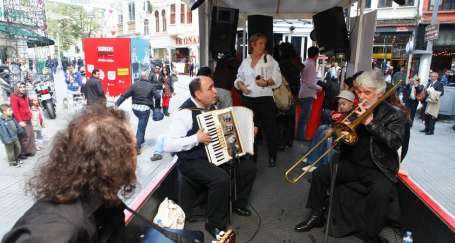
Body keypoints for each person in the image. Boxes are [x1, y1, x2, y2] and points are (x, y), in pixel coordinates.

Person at [294, 70, 405, 243]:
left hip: (378, 167)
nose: (361, 96)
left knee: (381, 193)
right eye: (359, 91)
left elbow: (395, 142)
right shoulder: (356, 109)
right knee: (320, 174)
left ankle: (371, 236)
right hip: (353, 163)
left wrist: (370, 123)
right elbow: (345, 140)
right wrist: (338, 136)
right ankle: (316, 215)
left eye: (367, 93)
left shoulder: (394, 114)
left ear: (380, 94)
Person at [2, 106, 137, 243]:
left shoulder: (101, 199)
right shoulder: (53, 231)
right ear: (115, 161)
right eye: (132, 148)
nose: (135, 156)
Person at [162, 76, 256, 239]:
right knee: (220, 178)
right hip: (191, 160)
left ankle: (238, 204)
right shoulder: (184, 114)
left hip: (213, 155)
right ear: (198, 94)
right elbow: (168, 145)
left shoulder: (211, 107)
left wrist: (246, 131)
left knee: (248, 167)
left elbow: (224, 132)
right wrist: (195, 139)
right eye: (210, 88)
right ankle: (214, 223)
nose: (215, 91)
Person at [235, 33, 282, 167]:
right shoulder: (245, 61)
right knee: (250, 129)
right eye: (260, 43)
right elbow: (238, 77)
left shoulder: (269, 59)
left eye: (264, 44)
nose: (263, 46)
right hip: (248, 100)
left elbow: (278, 78)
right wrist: (241, 85)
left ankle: (272, 155)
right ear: (252, 45)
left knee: (270, 129)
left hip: (265, 99)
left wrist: (266, 83)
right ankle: (252, 156)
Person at [115, 71, 156, 154]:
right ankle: (136, 148)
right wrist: (157, 107)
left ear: (141, 77)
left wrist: (117, 104)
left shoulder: (135, 84)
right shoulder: (151, 86)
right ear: (147, 77)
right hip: (144, 109)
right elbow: (158, 96)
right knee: (141, 128)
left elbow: (125, 95)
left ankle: (141, 139)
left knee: (142, 125)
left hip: (135, 109)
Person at [298, 46, 322, 141]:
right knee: (304, 118)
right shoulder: (311, 65)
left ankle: (300, 136)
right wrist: (320, 88)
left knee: (302, 117)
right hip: (308, 94)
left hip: (303, 91)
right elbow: (311, 83)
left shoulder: (305, 62)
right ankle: (302, 137)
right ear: (316, 55)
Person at [10, 82, 36, 158]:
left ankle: (29, 150)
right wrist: (20, 121)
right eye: (20, 87)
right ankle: (22, 152)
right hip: (22, 120)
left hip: (28, 118)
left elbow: (27, 105)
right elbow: (15, 110)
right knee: (24, 137)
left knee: (30, 135)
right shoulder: (14, 97)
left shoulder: (25, 95)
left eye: (23, 86)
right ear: (17, 88)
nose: (23, 88)